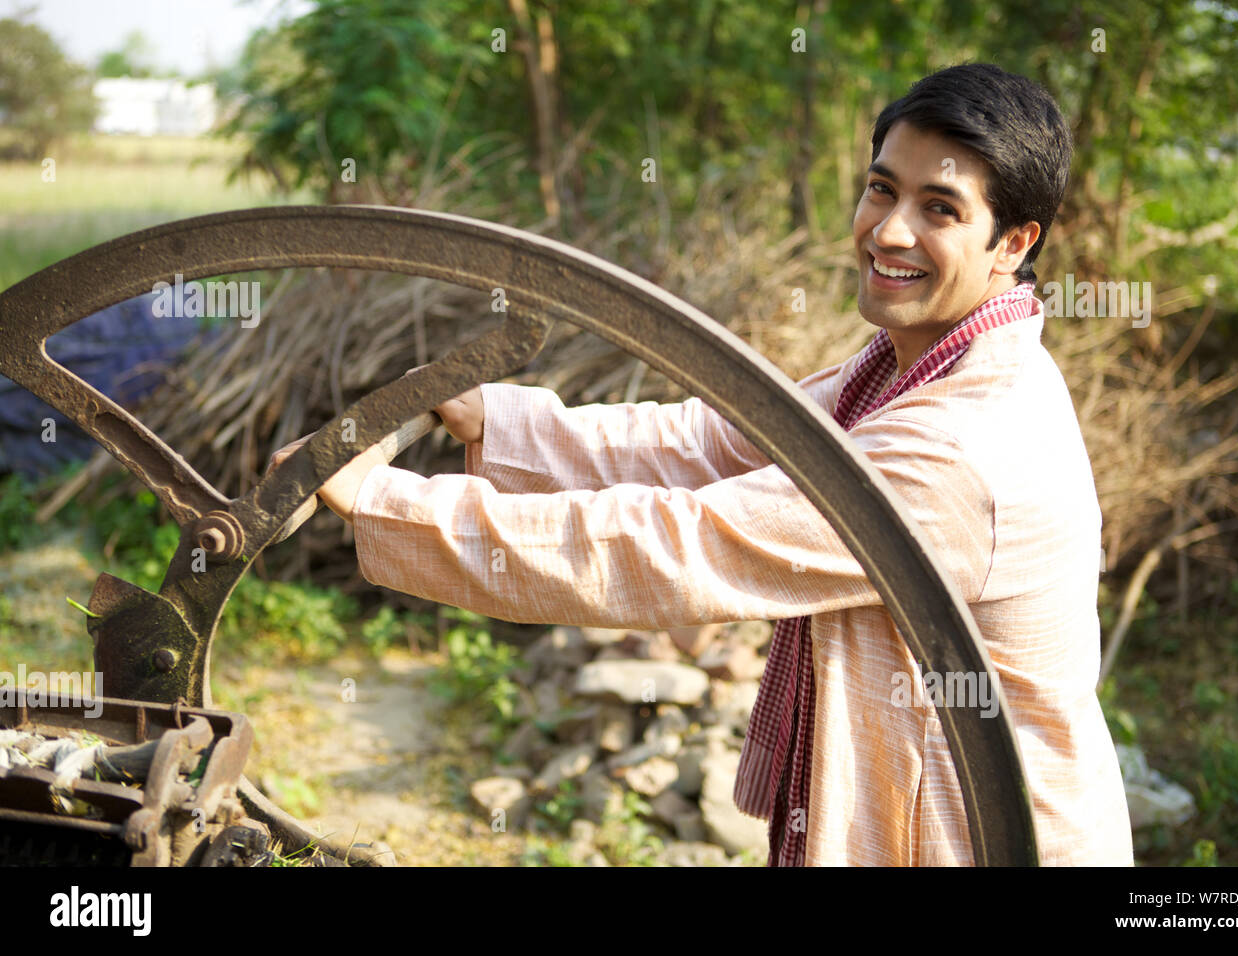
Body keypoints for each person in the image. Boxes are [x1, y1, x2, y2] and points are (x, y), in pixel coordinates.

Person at [270, 62, 1134, 867]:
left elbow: (682, 546)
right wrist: (496, 419)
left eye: (940, 209)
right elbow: (712, 443)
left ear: (1013, 242)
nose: (889, 230)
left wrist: (390, 502)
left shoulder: (960, 444)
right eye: (882, 188)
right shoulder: (906, 369)